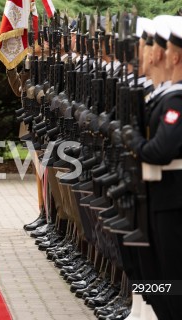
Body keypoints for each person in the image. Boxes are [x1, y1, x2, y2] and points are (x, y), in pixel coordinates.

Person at [126, 16, 182, 320]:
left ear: (169, 55)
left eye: (147, 44)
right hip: (157, 199)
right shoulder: (164, 97)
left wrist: (133, 139)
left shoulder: (177, 101)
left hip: (171, 202)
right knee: (156, 280)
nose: (142, 51)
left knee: (171, 281)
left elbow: (161, 150)